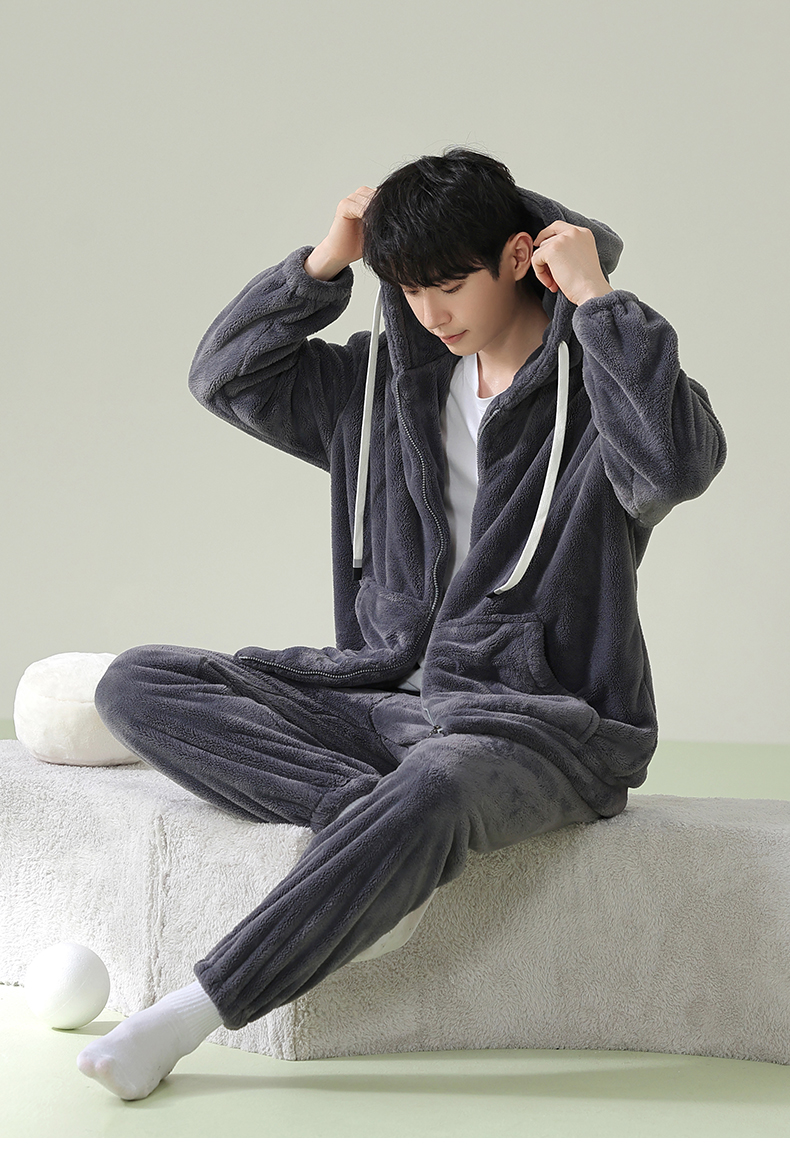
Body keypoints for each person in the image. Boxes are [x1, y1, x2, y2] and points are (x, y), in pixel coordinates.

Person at [76, 147, 727, 1100]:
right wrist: (322, 265)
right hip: (382, 694)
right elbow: (224, 377)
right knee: (137, 683)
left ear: (518, 257)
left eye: (449, 285)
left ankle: (188, 1014)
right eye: (409, 289)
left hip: (542, 722)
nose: (428, 312)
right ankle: (380, 834)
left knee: (441, 783)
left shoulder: (605, 392)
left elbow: (677, 464)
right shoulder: (383, 388)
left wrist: (598, 301)